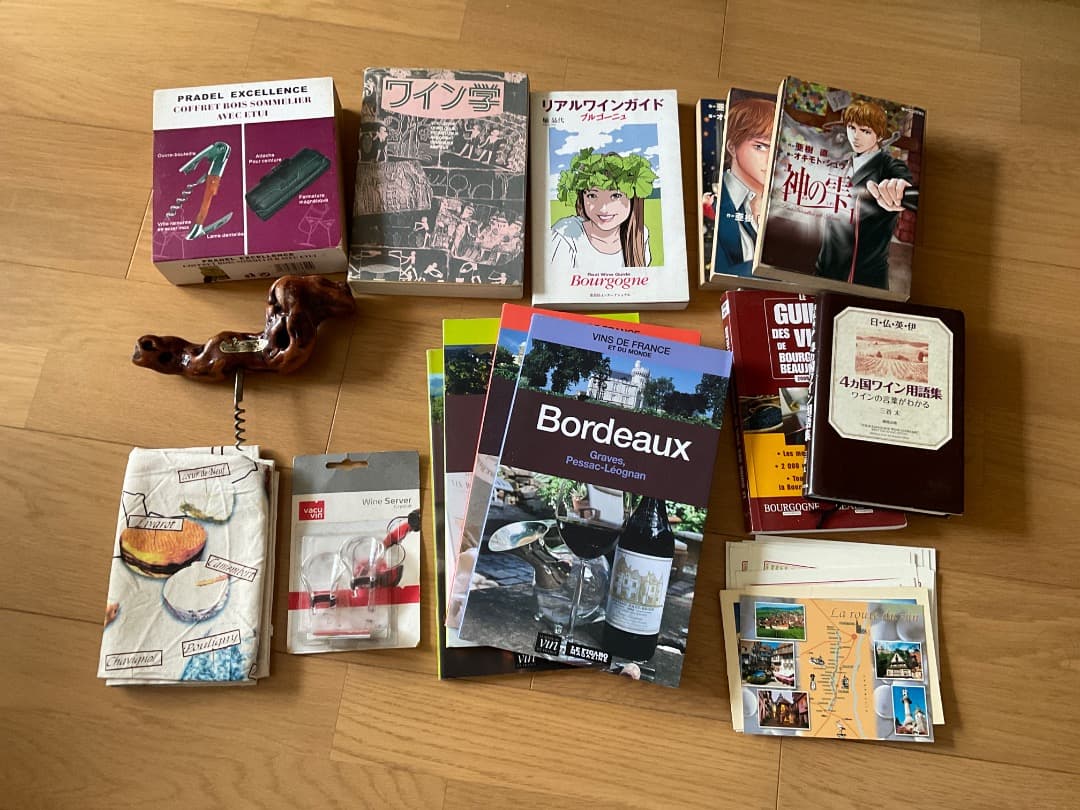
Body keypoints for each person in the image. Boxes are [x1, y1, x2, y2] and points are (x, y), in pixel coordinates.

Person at [815, 99, 915, 289]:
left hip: (862, 276)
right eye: (852, 128)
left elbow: (903, 185)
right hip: (826, 266)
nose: (856, 136)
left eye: (865, 131)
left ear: (879, 135)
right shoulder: (845, 163)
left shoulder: (889, 166)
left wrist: (898, 191)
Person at [550, 148, 655, 271]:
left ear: (632, 198)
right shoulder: (566, 234)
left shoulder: (639, 234)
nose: (604, 208)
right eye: (592, 196)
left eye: (616, 196)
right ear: (582, 198)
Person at [714, 97, 775, 278]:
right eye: (761, 147)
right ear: (732, 147)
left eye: (778, 148)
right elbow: (719, 271)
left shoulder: (785, 203)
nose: (772, 157)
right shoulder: (712, 199)